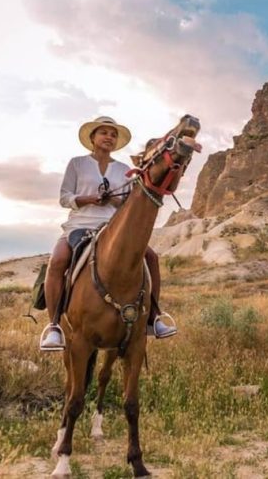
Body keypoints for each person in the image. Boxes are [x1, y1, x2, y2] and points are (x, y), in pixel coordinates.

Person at [40, 116, 177, 351]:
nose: (109, 137)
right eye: (104, 133)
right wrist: (89, 199)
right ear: (93, 138)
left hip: (112, 226)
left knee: (151, 257)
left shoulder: (124, 170)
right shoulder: (77, 163)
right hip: (79, 225)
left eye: (113, 134)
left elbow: (130, 203)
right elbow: (65, 198)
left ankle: (154, 316)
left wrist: (114, 201)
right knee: (57, 261)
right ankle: (54, 326)